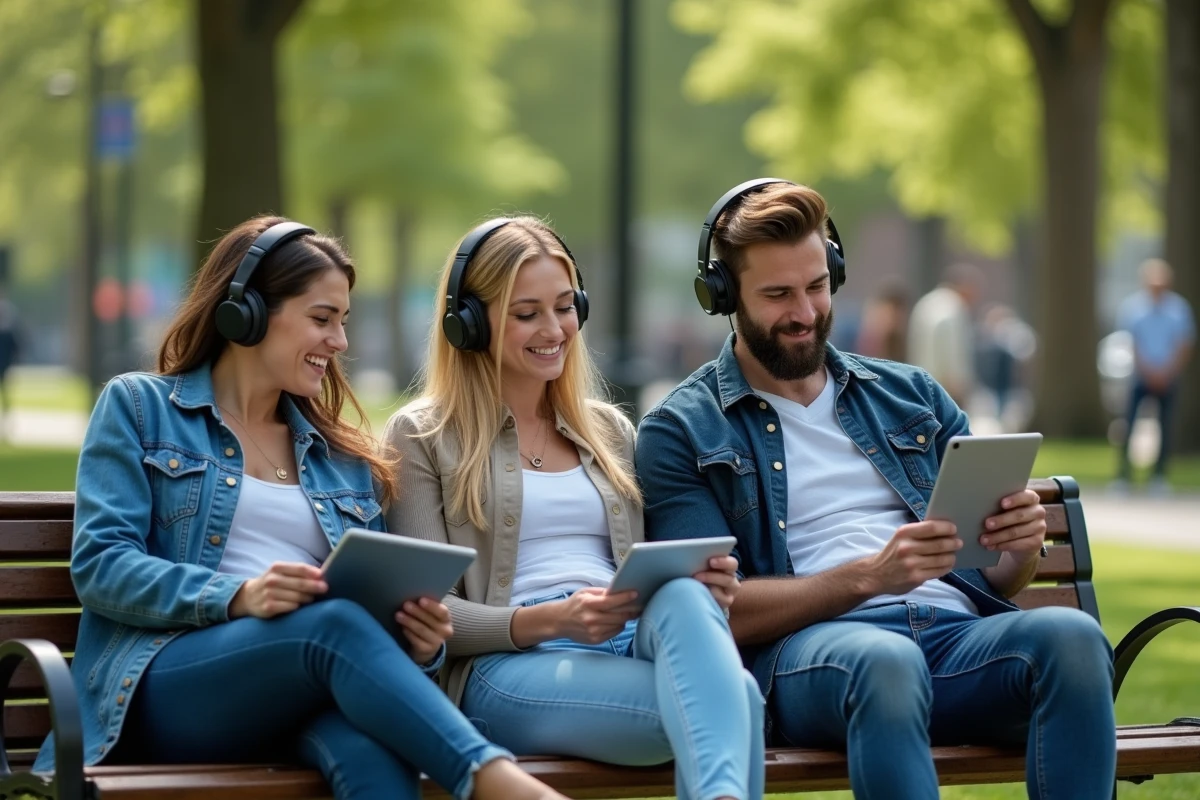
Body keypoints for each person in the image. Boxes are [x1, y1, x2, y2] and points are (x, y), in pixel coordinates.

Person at [32, 216, 565, 800]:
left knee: (370, 752)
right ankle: (496, 782)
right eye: (321, 319)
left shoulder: (345, 459)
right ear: (247, 313)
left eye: (343, 322)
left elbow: (375, 619)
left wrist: (422, 641)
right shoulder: (141, 408)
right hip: (164, 686)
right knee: (328, 624)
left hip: (301, 686)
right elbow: (103, 566)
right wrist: (238, 596)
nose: (339, 343)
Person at [637, 180, 1116, 799]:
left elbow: (992, 579)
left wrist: (1017, 551)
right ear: (722, 296)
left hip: (955, 643)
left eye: (816, 286)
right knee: (885, 662)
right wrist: (867, 577)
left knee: (1074, 638)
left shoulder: (912, 394)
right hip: (814, 659)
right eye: (778, 295)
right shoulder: (682, 429)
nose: (805, 313)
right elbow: (712, 615)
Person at [385, 216, 765, 800]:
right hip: (505, 667)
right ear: (469, 323)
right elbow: (428, 612)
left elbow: (650, 570)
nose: (554, 328)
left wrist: (698, 576)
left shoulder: (609, 429)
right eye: (526, 312)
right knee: (733, 704)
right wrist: (554, 618)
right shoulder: (424, 434)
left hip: (624, 637)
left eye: (564, 306)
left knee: (689, 598)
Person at [1114, 258, 1195, 494]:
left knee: (1165, 427)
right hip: (1141, 375)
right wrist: (1148, 370)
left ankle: (1159, 477)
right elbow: (1131, 343)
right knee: (1128, 426)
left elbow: (1184, 344)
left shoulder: (1179, 309)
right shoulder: (1134, 308)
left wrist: (1167, 371)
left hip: (1168, 376)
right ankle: (1123, 476)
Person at [907, 262, 984, 409]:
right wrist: (961, 390)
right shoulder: (954, 308)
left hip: (920, 385)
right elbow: (954, 355)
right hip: (945, 392)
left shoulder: (926, 302)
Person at [0, 288, 19, 439]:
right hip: (5, 362)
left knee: (5, 393)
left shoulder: (7, 318)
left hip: (3, 363)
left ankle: (6, 421)